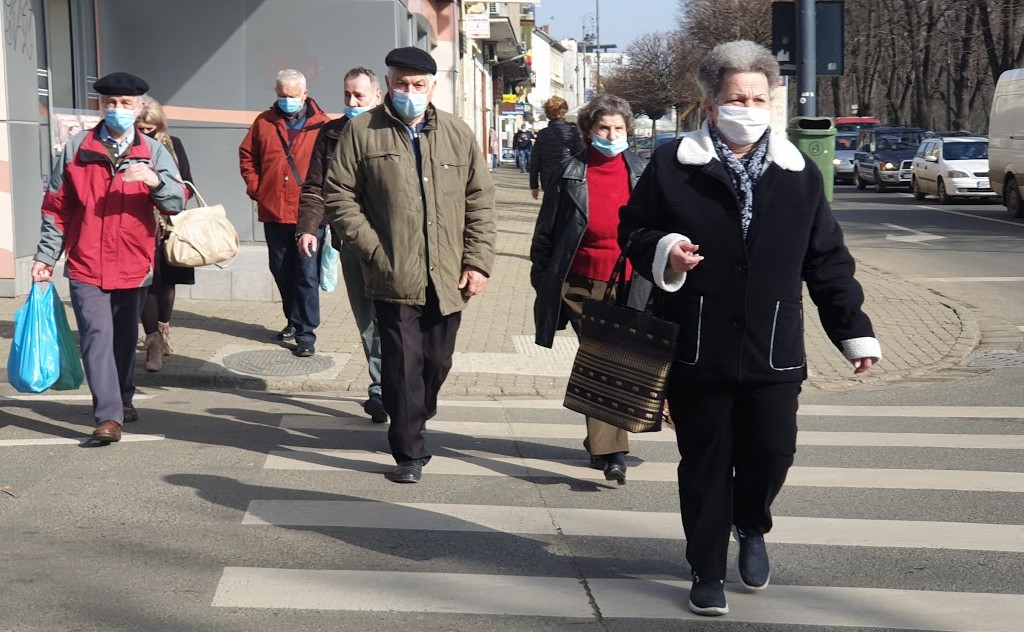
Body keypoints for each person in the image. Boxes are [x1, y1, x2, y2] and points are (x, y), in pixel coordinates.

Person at [617, 40, 881, 616]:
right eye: (738, 98)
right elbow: (632, 231)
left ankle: (752, 523)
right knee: (705, 464)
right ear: (712, 104)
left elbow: (827, 261)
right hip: (699, 344)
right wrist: (665, 251)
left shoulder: (798, 173)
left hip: (773, 346)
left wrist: (853, 331)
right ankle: (706, 568)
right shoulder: (672, 165)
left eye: (760, 98)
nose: (750, 108)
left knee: (772, 453)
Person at [323, 46, 496, 484]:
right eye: (402, 83)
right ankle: (409, 452)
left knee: (437, 362)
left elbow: (480, 202)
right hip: (392, 273)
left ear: (432, 87)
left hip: (448, 275)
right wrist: (374, 251)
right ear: (388, 84)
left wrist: (478, 262)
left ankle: (414, 414)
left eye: (418, 85)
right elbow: (339, 196)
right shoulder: (362, 131)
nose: (410, 91)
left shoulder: (457, 133)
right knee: (401, 365)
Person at [31, 72, 188, 443]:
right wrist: (46, 255)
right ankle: (108, 416)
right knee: (96, 336)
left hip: (134, 263)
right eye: (110, 103)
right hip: (86, 262)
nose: (117, 109)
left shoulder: (153, 151)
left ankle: (123, 397)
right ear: (100, 106)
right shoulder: (77, 148)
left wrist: (155, 181)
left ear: (138, 107)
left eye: (125, 103)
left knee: (123, 338)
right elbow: (57, 207)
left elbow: (177, 201)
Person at [529, 94, 648, 485]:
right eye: (604, 128)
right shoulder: (570, 172)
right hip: (581, 282)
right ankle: (613, 451)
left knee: (621, 357)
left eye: (618, 128)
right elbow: (546, 232)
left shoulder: (643, 172)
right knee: (601, 355)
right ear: (588, 131)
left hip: (630, 281)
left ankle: (600, 441)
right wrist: (543, 279)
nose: (612, 135)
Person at [296, 67, 388, 423]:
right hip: (350, 242)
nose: (351, 101)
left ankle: (397, 384)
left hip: (391, 242)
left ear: (377, 96)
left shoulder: (392, 131)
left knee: (392, 317)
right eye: (347, 94)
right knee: (367, 319)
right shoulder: (331, 133)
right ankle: (380, 388)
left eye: (358, 95)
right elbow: (315, 186)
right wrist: (308, 228)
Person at [239, 69, 331, 357]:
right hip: (274, 210)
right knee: (280, 270)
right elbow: (247, 156)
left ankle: (306, 334)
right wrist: (257, 188)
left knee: (306, 275)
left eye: (292, 95)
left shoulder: (322, 125)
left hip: (308, 215)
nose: (286, 100)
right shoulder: (264, 122)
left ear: (304, 94)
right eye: (281, 95)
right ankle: (293, 319)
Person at [135, 96, 194, 373]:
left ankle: (163, 330)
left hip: (170, 224)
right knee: (147, 283)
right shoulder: (129, 147)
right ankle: (153, 343)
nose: (146, 133)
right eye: (141, 128)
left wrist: (171, 196)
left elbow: (188, 183)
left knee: (168, 282)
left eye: (151, 128)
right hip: (140, 224)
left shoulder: (174, 144)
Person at [529, 96, 584, 200]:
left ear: (547, 113)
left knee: (551, 206)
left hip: (548, 178)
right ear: (564, 111)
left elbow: (535, 161)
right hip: (569, 176)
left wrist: (534, 186)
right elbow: (580, 156)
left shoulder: (542, 134)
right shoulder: (573, 132)